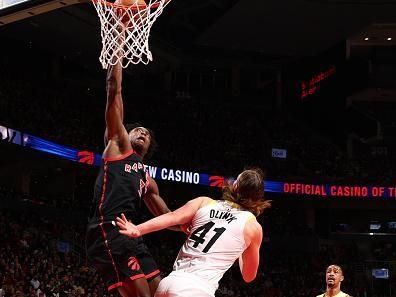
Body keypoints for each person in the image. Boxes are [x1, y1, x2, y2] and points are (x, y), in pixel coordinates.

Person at [85, 61, 174, 297]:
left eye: (146, 133)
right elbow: (114, 88)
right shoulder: (118, 145)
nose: (143, 132)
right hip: (108, 229)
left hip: (133, 236)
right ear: (126, 131)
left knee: (162, 292)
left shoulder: (148, 179)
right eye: (138, 130)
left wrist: (190, 226)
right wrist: (118, 46)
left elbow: (167, 216)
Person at [116, 168, 271, 297]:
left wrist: (138, 229)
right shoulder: (253, 227)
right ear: (258, 198)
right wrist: (241, 248)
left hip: (168, 284)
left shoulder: (204, 202)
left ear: (235, 186)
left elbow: (172, 217)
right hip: (197, 290)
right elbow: (248, 276)